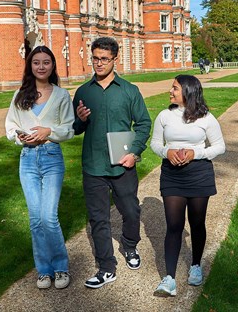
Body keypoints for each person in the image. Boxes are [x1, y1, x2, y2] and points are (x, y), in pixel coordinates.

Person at [73, 37, 151, 289]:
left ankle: (129, 246)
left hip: (122, 164)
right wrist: (80, 120)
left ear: (114, 60)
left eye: (104, 59)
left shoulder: (129, 90)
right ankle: (106, 267)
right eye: (95, 58)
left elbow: (143, 124)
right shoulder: (83, 92)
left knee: (131, 211)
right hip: (93, 166)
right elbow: (75, 129)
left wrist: (135, 152)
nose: (99, 63)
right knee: (98, 218)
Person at [5, 45, 75, 290]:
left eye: (46, 62)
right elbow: (10, 126)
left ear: (53, 66)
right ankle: (44, 270)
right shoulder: (20, 95)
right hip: (28, 160)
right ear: (30, 66)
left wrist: (49, 131)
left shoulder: (61, 95)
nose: (41, 66)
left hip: (51, 158)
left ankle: (61, 266)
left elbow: (69, 129)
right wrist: (19, 137)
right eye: (36, 62)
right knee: (36, 219)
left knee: (49, 217)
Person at [150, 74, 225, 297]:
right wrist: (167, 152)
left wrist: (196, 153)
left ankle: (195, 265)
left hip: (199, 174)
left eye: (174, 88)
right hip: (172, 175)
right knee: (173, 224)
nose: (170, 91)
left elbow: (219, 146)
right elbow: (155, 143)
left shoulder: (206, 118)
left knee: (197, 222)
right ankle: (169, 278)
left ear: (188, 92)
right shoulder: (164, 115)